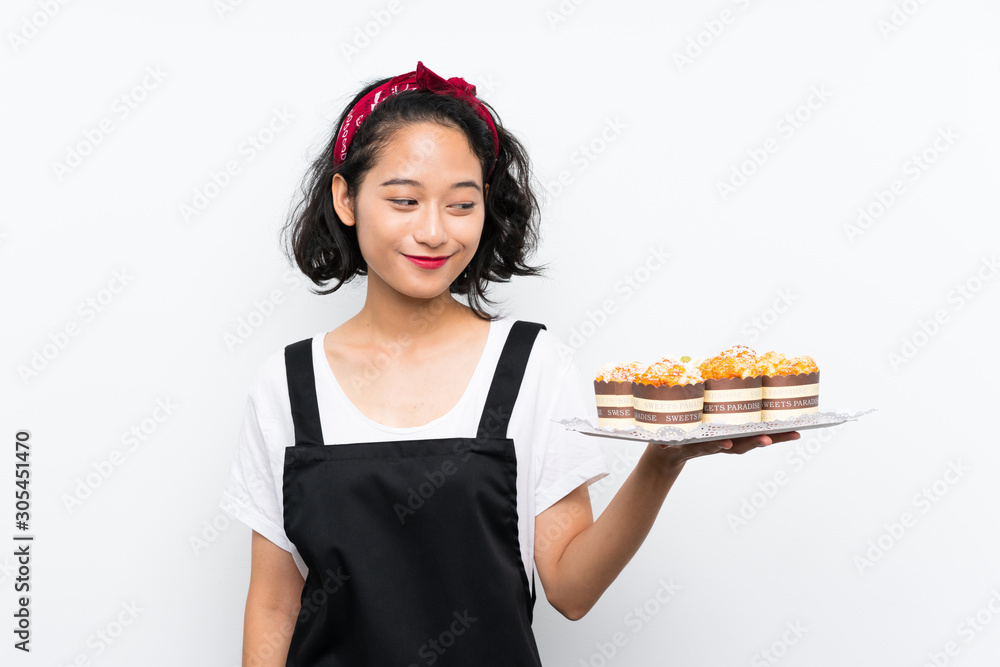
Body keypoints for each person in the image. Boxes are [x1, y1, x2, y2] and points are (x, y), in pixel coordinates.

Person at [218, 61, 800, 666]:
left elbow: (571, 591)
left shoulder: (530, 366)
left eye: (460, 205)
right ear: (346, 197)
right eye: (404, 200)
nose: (434, 231)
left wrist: (663, 460)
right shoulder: (287, 385)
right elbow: (274, 604)